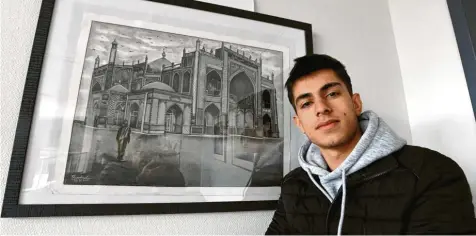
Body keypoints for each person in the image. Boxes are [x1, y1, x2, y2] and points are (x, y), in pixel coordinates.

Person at [265, 54, 476, 235]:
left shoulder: (431, 172)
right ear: (299, 123)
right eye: (306, 103)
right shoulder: (293, 185)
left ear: (356, 104)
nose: (321, 108)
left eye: (332, 94)